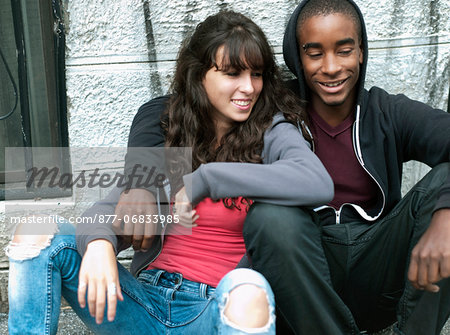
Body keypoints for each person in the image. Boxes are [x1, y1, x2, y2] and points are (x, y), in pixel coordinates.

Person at [117, 1, 450, 334]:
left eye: (344, 50)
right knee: (271, 217)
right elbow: (161, 110)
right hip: (301, 268)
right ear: (297, 58)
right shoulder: (271, 107)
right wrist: (140, 182)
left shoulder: (388, 113)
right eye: (315, 53)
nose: (331, 67)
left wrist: (447, 212)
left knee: (444, 187)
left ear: (361, 52)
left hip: (379, 262)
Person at [7, 11, 334, 335]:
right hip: (145, 304)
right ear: (199, 74)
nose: (248, 87)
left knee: (248, 288)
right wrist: (98, 245)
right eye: (233, 73)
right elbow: (108, 208)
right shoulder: (169, 133)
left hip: (218, 308)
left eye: (257, 74)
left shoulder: (272, 133)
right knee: (37, 232)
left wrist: (208, 178)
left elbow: (315, 182)